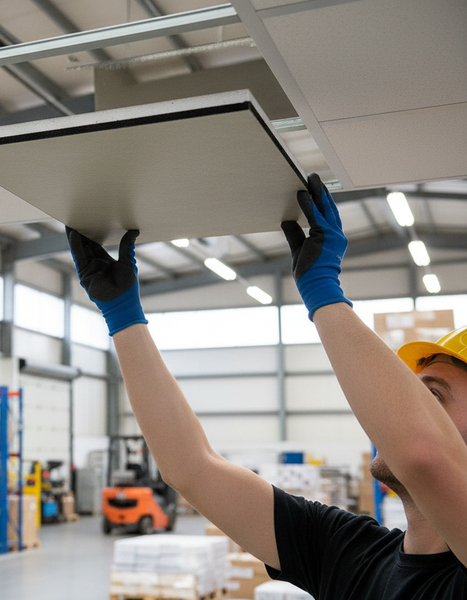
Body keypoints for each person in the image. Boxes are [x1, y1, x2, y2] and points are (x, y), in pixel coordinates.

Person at [66, 173, 466, 598]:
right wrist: (124, 319)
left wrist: (325, 295)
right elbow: (191, 468)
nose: (399, 410)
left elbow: (423, 454)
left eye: (431, 396)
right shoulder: (347, 551)